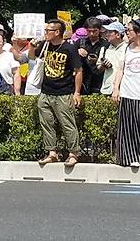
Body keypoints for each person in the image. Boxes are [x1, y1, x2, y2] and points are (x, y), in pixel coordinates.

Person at [29, 19, 82, 166]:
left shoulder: (69, 48)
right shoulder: (46, 45)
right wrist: (32, 47)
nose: (45, 33)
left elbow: (78, 71)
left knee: (67, 123)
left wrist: (77, 93)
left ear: (57, 32)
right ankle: (52, 152)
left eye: (48, 31)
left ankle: (73, 153)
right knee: (46, 122)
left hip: (64, 92)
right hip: (46, 91)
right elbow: (32, 57)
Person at [112, 19, 140, 167]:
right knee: (129, 127)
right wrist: (116, 88)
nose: (127, 32)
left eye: (129, 30)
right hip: (128, 93)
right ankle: (131, 157)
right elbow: (120, 70)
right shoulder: (126, 48)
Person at [77, 17, 108, 94]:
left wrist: (98, 61)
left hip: (98, 82)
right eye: (89, 31)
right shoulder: (81, 42)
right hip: (82, 81)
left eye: (94, 31)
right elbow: (69, 53)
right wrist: (77, 51)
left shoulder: (106, 45)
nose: (91, 34)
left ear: (100, 30)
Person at [98, 22, 128, 96]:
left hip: (123, 90)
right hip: (106, 89)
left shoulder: (127, 48)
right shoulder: (104, 48)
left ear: (118, 34)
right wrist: (103, 66)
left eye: (109, 32)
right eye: (106, 32)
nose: (106, 34)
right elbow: (98, 68)